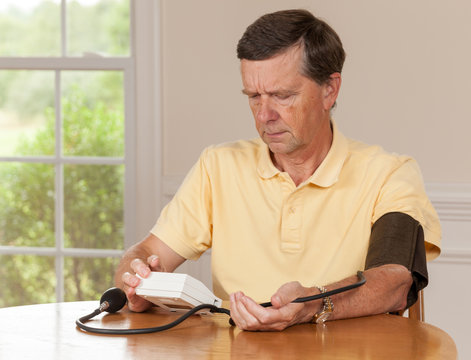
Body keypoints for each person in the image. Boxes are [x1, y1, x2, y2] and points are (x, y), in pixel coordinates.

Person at [115, 9, 441, 331]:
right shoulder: (218, 166)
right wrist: (135, 279)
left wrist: (313, 304)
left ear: (330, 89)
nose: (264, 114)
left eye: (282, 95)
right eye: (254, 96)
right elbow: (146, 252)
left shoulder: (390, 174)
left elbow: (394, 283)